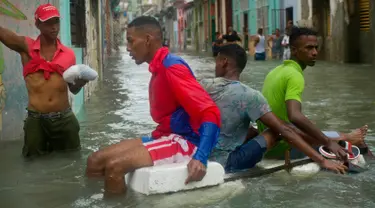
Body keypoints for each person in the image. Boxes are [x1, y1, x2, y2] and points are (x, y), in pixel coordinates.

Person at [85, 16, 221, 194]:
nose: (127, 48)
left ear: (147, 40)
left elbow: (211, 111)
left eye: (130, 41)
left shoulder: (172, 67)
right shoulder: (159, 67)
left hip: (186, 142)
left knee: (115, 167)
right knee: (95, 161)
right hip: (165, 136)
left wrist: (201, 157)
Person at [200, 44, 347, 173]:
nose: (216, 66)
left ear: (224, 62)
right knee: (276, 130)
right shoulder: (250, 95)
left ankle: (332, 139)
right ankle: (330, 143)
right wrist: (322, 161)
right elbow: (285, 130)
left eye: (216, 62)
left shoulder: (203, 85)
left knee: (252, 129)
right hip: (228, 163)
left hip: (201, 155)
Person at [257, 27, 368, 160]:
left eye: (316, 47)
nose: (315, 52)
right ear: (294, 50)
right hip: (283, 147)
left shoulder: (275, 71)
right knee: (360, 147)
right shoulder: (294, 75)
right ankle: (346, 139)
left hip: (268, 143)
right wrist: (329, 143)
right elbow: (294, 116)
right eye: (309, 48)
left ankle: (344, 136)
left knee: (333, 133)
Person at [0, 4, 88, 158]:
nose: (53, 27)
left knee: (72, 161)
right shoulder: (26, 47)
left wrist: (80, 83)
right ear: (38, 24)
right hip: (36, 121)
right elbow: (3, 34)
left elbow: (72, 90)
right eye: (48, 23)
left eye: (56, 22)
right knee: (32, 164)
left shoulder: (68, 55)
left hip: (64, 120)